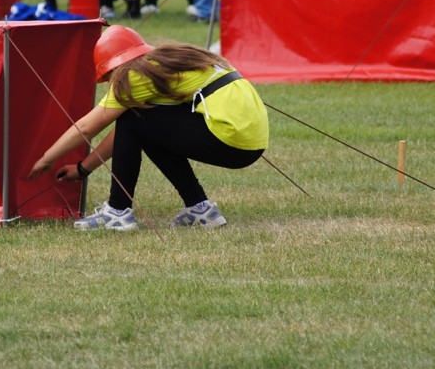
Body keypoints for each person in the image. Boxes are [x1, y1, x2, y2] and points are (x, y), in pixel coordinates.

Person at [29, 26, 268, 231]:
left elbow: (87, 126)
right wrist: (83, 168)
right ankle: (200, 210)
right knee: (139, 122)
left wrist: (46, 159)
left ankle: (118, 211)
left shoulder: (133, 76)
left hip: (229, 138)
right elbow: (134, 133)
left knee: (134, 119)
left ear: (113, 67)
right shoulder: (165, 63)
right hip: (250, 140)